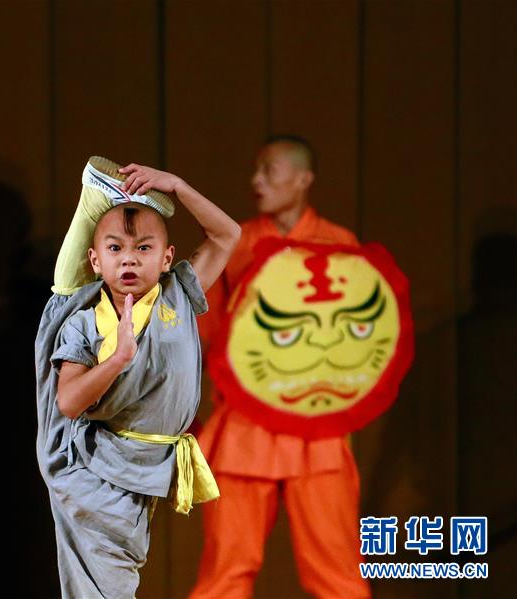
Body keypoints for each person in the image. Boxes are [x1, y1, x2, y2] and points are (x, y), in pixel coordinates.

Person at [35, 157, 240, 597]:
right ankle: (92, 201)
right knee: (108, 589)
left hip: (142, 469)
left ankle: (97, 197)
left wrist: (177, 185)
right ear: (95, 260)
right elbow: (68, 401)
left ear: (167, 258)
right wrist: (116, 360)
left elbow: (228, 235)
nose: (129, 258)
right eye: (115, 249)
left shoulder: (178, 294)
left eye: (143, 248)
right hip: (94, 470)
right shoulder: (84, 323)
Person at [189, 135, 371, 598]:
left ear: (304, 179)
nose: (256, 180)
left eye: (269, 170)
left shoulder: (340, 244)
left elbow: (364, 339)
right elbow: (203, 333)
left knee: (338, 577)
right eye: (256, 170)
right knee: (225, 575)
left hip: (317, 427)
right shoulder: (235, 242)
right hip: (245, 427)